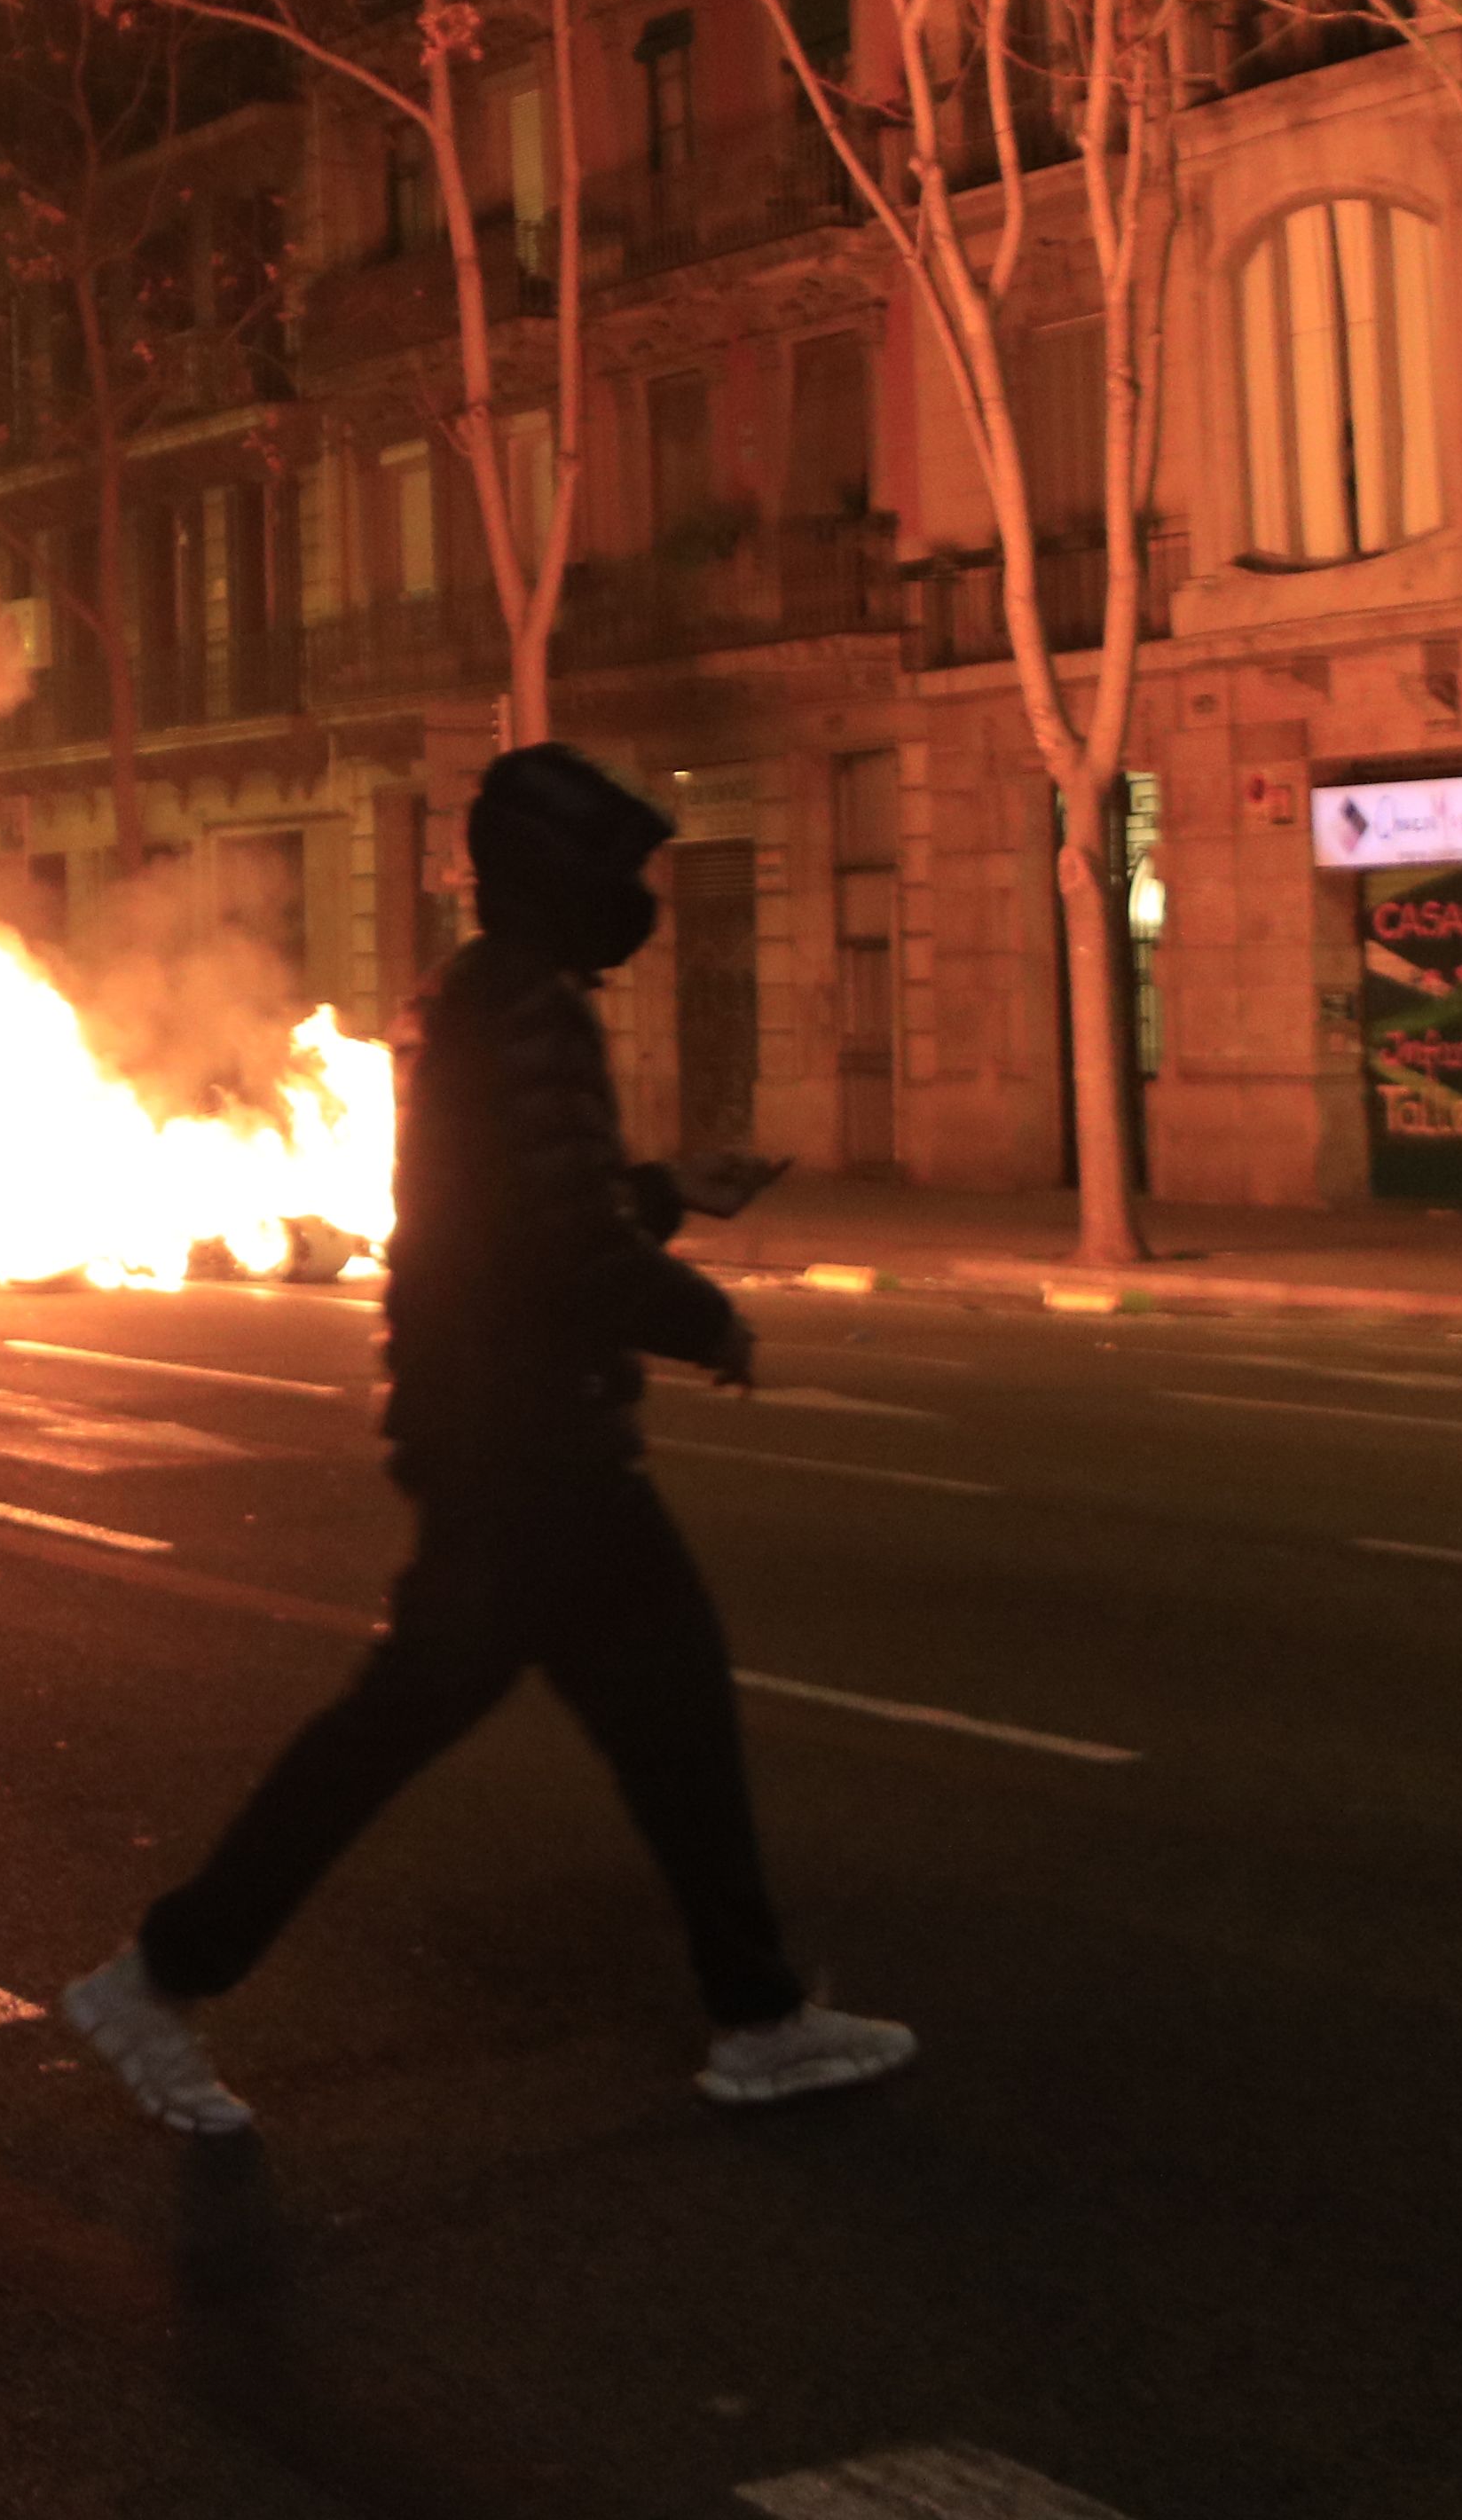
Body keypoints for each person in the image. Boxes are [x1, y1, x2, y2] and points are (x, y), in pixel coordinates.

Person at [60, 744, 916, 2132]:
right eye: (622, 874)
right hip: (527, 1445)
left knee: (642, 1716)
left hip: (510, 1432)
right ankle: (159, 1976)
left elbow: (521, 1206)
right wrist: (703, 1318)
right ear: (563, 881)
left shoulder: (491, 1000)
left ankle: (756, 2012)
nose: (640, 901)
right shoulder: (528, 1013)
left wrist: (664, 1189)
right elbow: (552, 1243)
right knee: (476, 1725)